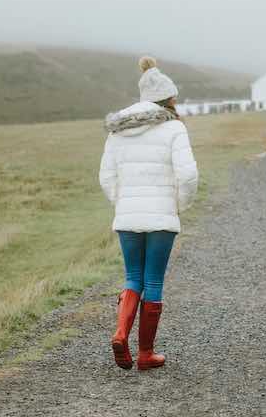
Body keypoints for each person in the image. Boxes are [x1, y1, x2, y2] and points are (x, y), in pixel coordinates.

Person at [99, 56, 199, 371]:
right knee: (153, 280)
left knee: (133, 277)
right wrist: (178, 206)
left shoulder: (117, 131)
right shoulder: (173, 127)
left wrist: (123, 202)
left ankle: (120, 333)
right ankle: (145, 354)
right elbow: (188, 176)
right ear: (167, 98)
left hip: (127, 215)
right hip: (162, 217)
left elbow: (106, 176)